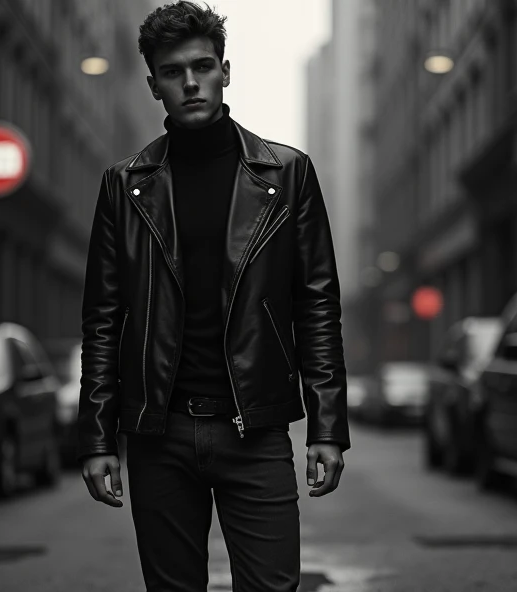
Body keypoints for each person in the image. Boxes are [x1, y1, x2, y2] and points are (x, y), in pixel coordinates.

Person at [78, 2, 350, 590]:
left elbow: (317, 303)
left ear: (226, 71)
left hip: (255, 427)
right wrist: (98, 438)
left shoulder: (287, 175)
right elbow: (102, 320)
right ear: (153, 85)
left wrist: (328, 427)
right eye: (174, 72)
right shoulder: (125, 187)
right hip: (160, 435)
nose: (191, 82)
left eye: (203, 66)